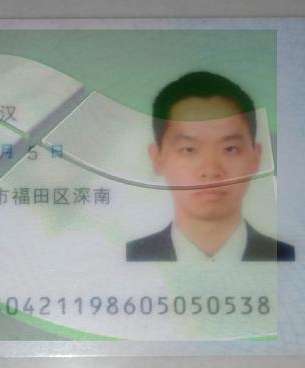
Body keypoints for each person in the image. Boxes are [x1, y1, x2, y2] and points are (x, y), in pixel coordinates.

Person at [126, 71, 295, 262]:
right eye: (189, 149)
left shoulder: (285, 258)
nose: (211, 171)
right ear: (157, 158)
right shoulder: (130, 257)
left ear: (256, 157)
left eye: (230, 149)